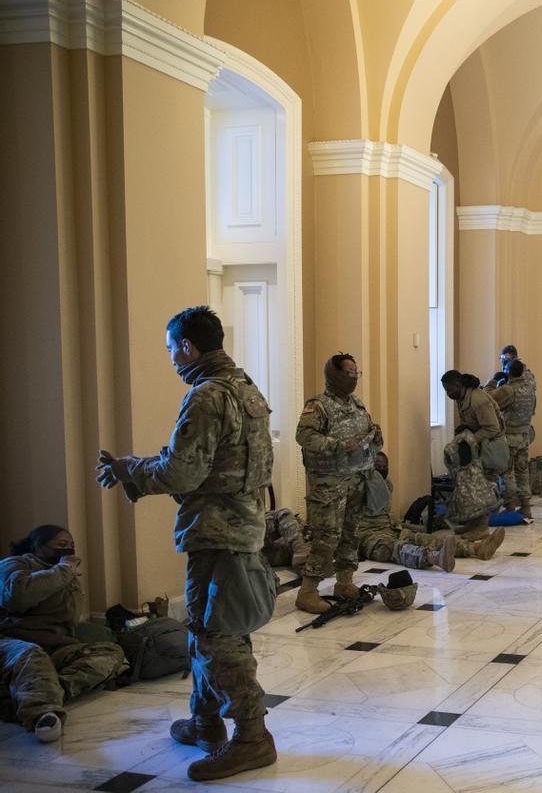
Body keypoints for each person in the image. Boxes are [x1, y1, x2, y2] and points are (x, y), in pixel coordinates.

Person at [95, 305, 277, 781]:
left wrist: (128, 469)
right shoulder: (247, 389)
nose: (172, 358)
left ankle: (253, 737)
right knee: (207, 626)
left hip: (217, 534)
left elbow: (182, 471)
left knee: (218, 635)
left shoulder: (206, 396)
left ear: (187, 346)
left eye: (172, 349)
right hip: (242, 525)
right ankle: (206, 721)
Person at [0, 525, 128, 744]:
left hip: (56, 646)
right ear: (38, 546)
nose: (68, 550)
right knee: (32, 654)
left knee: (111, 653)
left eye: (71, 546)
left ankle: (35, 695)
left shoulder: (62, 571)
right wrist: (63, 571)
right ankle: (43, 714)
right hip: (14, 644)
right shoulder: (15, 564)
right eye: (61, 545)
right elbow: (17, 596)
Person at [294, 353, 383, 615]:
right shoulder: (318, 405)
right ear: (333, 375)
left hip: (356, 479)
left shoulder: (357, 404)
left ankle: (344, 583)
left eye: (357, 373)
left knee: (350, 534)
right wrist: (338, 446)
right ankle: (308, 591)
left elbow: (367, 439)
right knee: (326, 537)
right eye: (348, 373)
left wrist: (376, 439)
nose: (354, 378)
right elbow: (304, 436)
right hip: (328, 484)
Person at [440, 370, 506, 553]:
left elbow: (493, 428)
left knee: (482, 487)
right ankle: (473, 525)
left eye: (449, 389)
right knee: (471, 486)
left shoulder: (478, 400)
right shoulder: (462, 398)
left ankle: (481, 529)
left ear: (458, 385)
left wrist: (471, 439)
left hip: (490, 448)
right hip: (479, 447)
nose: (447, 393)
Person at [357, 453, 457, 571]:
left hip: (390, 529)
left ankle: (473, 548)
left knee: (422, 538)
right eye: (378, 467)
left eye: (385, 467)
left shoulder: (387, 484)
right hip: (367, 535)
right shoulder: (360, 485)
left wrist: (403, 526)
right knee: (395, 548)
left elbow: (386, 513)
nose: (382, 470)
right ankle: (434, 558)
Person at [488, 359, 537, 519]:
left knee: (507, 472)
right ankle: (526, 506)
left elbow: (489, 400)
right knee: (522, 471)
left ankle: (510, 506)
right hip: (525, 435)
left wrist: (493, 381)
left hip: (509, 437)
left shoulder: (509, 390)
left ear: (509, 372)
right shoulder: (529, 387)